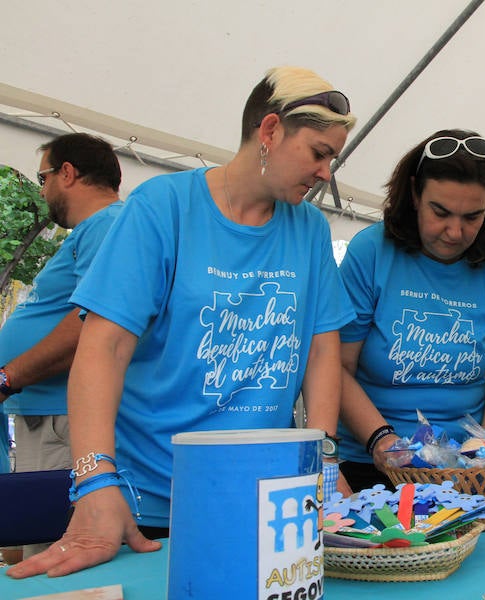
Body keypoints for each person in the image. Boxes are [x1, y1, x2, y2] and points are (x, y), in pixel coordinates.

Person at [6, 66, 357, 579]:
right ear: (270, 130)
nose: (326, 172)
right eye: (319, 153)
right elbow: (102, 350)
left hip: (266, 504)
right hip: (150, 508)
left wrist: (324, 459)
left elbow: (322, 349)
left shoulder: (307, 229)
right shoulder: (163, 208)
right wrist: (94, 481)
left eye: (333, 158)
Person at [336, 129, 485, 491]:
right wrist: (380, 439)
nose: (455, 232)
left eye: (473, 217)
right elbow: (337, 366)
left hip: (464, 471)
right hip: (372, 467)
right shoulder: (371, 252)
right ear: (414, 194)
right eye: (440, 212)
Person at [0, 134, 123, 558]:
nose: (42, 190)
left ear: (67, 173)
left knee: (58, 559)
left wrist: (8, 376)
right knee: (36, 549)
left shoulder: (107, 223)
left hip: (63, 421)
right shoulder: (94, 231)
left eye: (43, 178)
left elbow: (95, 322)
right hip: (47, 417)